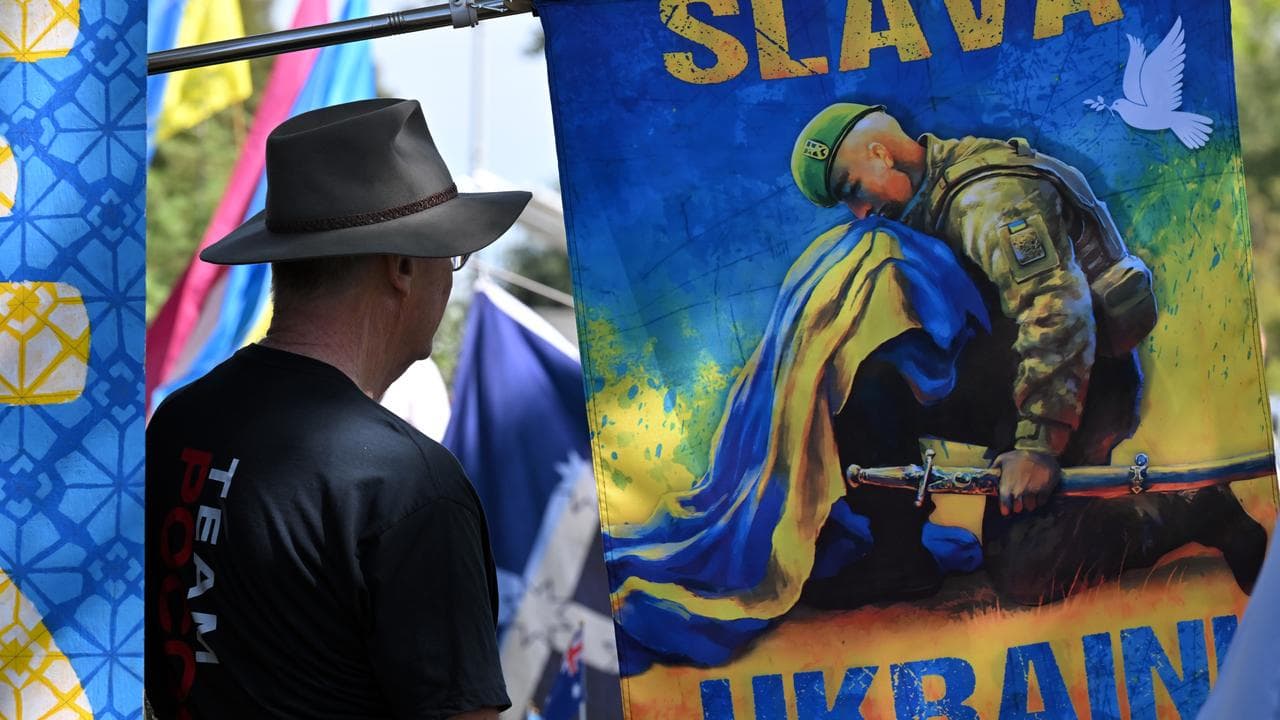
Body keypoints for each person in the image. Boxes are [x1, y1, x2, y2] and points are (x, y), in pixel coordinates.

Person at [789, 102, 1267, 607]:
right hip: (1007, 372)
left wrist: (1036, 445)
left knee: (1028, 575)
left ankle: (1193, 508)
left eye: (852, 190)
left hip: (1084, 380)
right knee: (864, 385)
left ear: (881, 155)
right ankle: (899, 558)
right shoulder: (926, 194)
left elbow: (1057, 311)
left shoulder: (989, 199)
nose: (859, 211)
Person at [145, 98, 531, 719]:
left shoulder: (180, 422)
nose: (450, 280)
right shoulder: (406, 485)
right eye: (451, 256)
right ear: (402, 266)